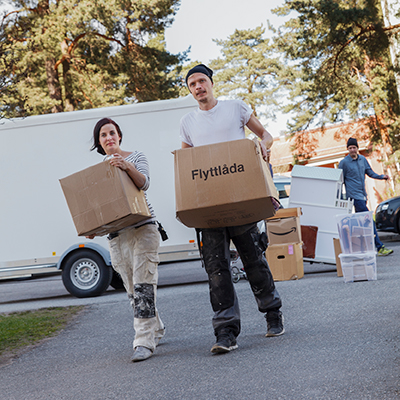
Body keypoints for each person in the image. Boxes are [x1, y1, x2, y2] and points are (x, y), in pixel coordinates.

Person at [180, 64, 284, 355]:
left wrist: (262, 146)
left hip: (241, 200)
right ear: (190, 91)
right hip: (210, 207)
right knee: (216, 269)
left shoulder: (235, 108)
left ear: (211, 83)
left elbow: (266, 134)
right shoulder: (187, 122)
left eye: (202, 81)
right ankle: (225, 331)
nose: (198, 87)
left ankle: (273, 313)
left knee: (254, 261)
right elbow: (187, 165)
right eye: (192, 84)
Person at [88, 117, 165, 362]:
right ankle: (157, 329)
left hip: (143, 229)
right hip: (117, 236)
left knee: (143, 285)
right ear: (99, 143)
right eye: (103, 135)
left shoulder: (136, 157)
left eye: (112, 133)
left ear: (119, 136)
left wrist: (126, 166)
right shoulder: (100, 168)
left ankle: (143, 342)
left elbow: (145, 183)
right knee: (133, 291)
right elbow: (104, 207)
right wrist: (93, 227)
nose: (108, 138)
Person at [338, 137, 393, 256]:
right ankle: (380, 247)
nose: (352, 150)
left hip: (363, 195)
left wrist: (381, 176)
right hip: (354, 196)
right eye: (350, 148)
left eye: (354, 147)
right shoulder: (344, 163)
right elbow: (339, 180)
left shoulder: (362, 159)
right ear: (347, 149)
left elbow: (370, 172)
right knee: (368, 220)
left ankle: (361, 249)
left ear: (357, 148)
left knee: (361, 224)